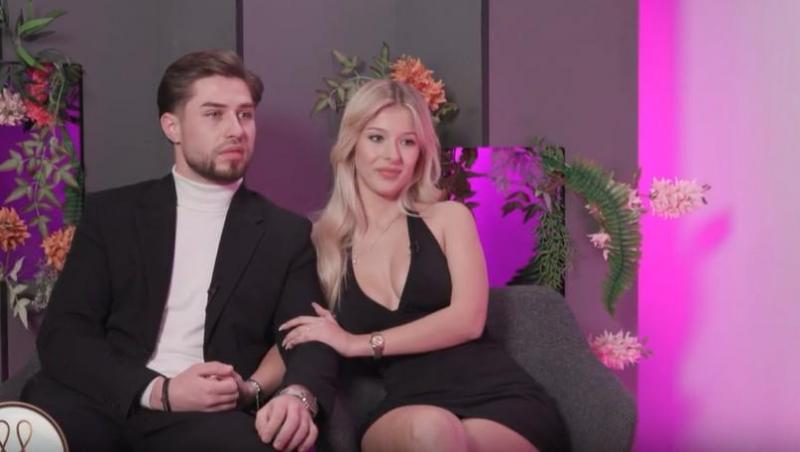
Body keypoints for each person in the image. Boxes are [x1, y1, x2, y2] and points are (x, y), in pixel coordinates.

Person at [21, 49, 338, 452]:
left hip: (207, 418)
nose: (236, 130)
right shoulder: (112, 215)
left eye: (245, 114)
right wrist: (160, 390)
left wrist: (299, 395)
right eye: (214, 114)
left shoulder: (284, 233)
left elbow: (309, 336)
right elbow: (64, 335)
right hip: (103, 401)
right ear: (172, 126)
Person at [278, 79, 571, 452]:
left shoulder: (448, 218)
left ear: (421, 153)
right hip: (407, 406)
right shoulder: (323, 243)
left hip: (499, 398)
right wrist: (251, 387)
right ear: (352, 144)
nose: (393, 156)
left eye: (408, 142)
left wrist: (356, 344)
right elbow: (298, 333)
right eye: (377, 138)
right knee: (433, 430)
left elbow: (467, 320)